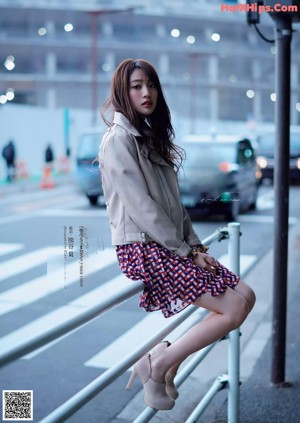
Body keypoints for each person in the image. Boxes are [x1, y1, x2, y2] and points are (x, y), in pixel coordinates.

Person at [98, 59, 256, 411]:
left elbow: (174, 207)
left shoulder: (149, 137)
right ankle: (158, 366)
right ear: (122, 92)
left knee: (246, 295)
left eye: (151, 85)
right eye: (137, 86)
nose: (146, 93)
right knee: (231, 308)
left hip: (168, 243)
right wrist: (185, 252)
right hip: (143, 247)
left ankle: (163, 358)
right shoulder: (118, 140)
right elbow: (142, 207)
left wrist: (196, 246)